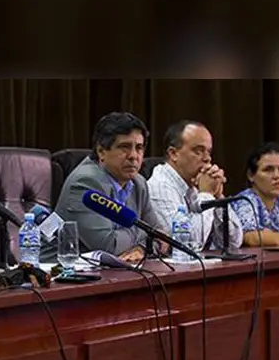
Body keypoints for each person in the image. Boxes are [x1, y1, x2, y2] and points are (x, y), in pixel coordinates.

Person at [42, 111, 167, 263]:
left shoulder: (138, 183)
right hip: (60, 275)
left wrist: (141, 248)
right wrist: (148, 234)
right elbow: (109, 245)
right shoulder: (84, 183)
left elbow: (162, 238)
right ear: (101, 151)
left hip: (110, 272)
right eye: (124, 147)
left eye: (139, 148)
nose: (134, 155)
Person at [147, 120, 243, 251]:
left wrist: (219, 197)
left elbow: (233, 243)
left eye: (209, 152)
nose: (207, 159)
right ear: (173, 153)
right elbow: (187, 246)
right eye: (199, 151)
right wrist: (207, 194)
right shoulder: (160, 186)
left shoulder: (195, 184)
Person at [232, 142, 279, 246]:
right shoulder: (244, 200)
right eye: (268, 170)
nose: (277, 176)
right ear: (251, 175)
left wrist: (272, 236)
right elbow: (253, 238)